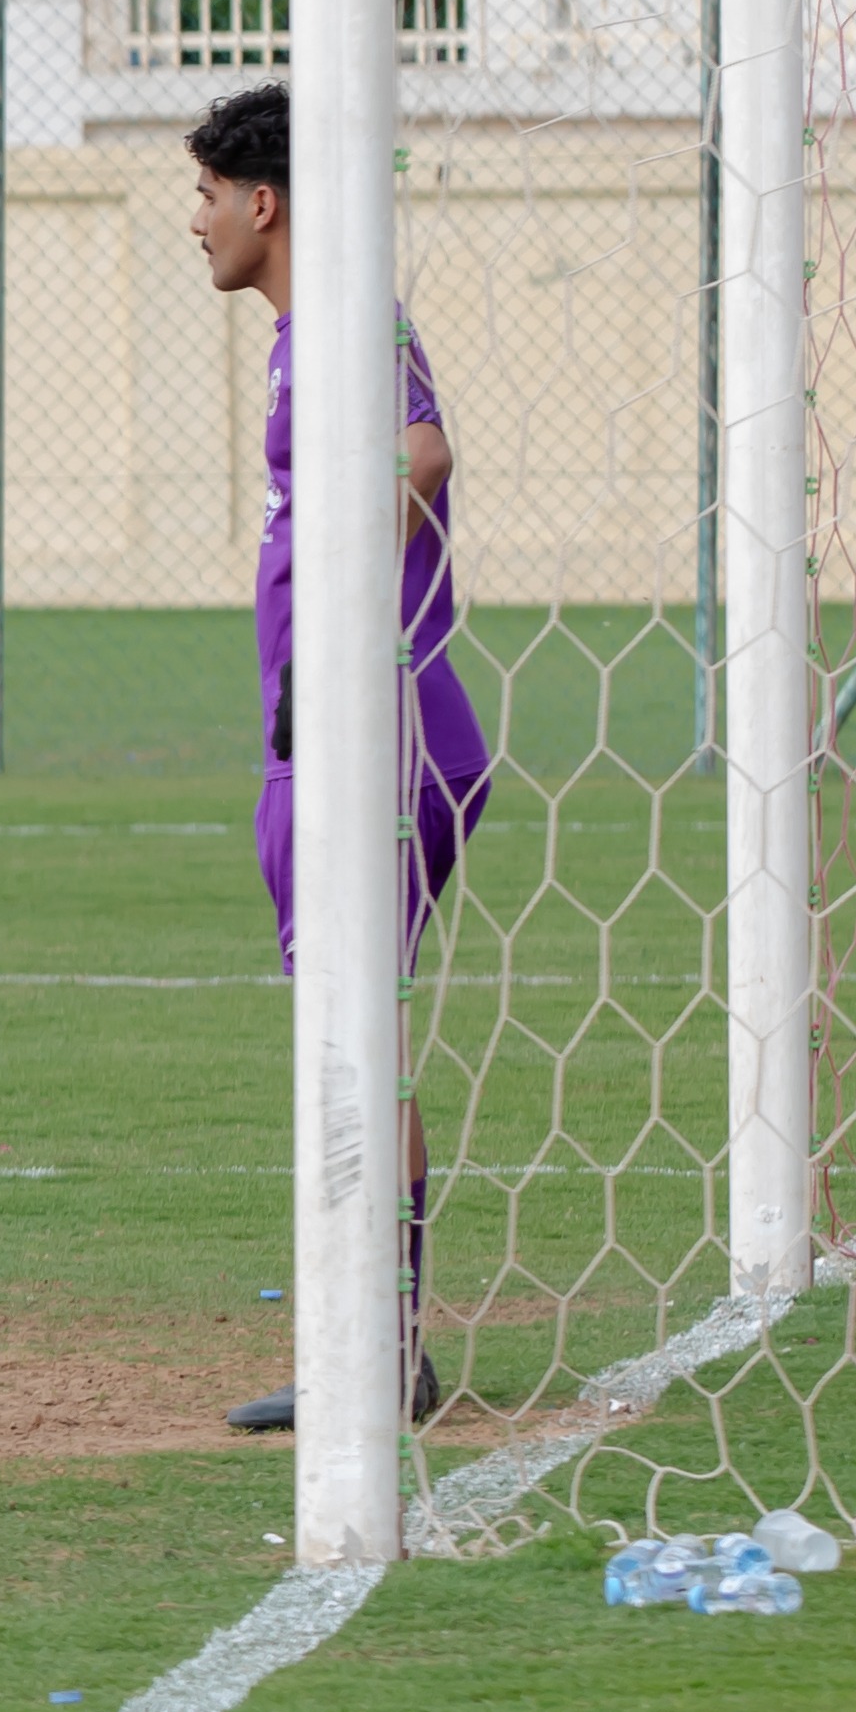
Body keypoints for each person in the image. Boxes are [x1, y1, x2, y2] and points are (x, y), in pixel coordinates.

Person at [184, 81, 490, 1434]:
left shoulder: (343, 324)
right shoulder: (317, 331)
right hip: (355, 723)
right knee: (354, 1040)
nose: (191, 224)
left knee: (345, 1046)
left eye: (203, 196)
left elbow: (424, 450)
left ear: (262, 201)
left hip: (370, 728)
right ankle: (384, 1342)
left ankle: (374, 1349)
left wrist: (347, 632)